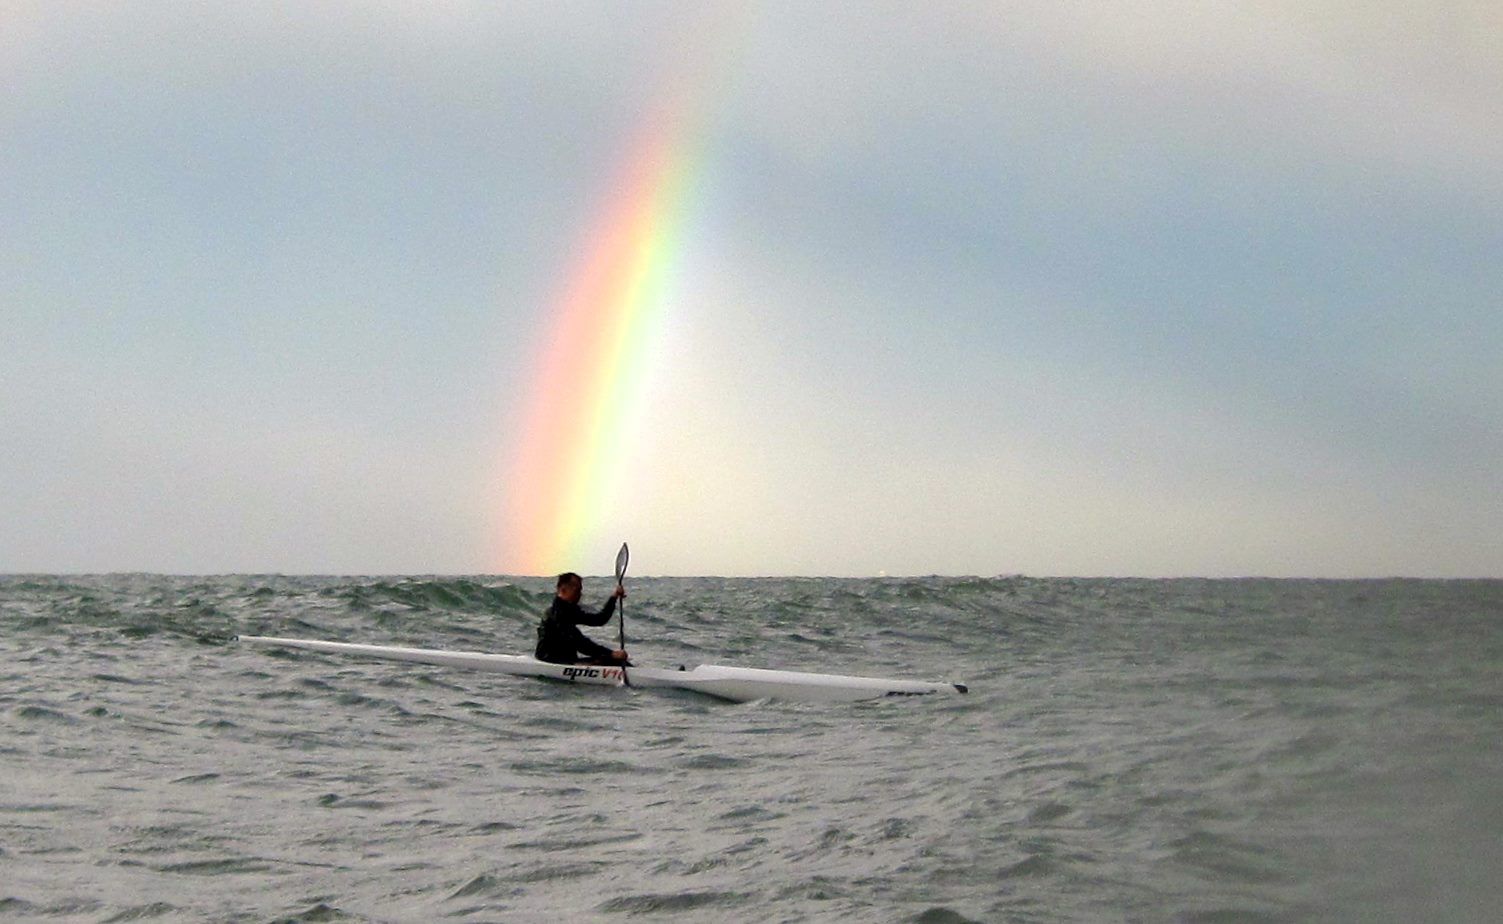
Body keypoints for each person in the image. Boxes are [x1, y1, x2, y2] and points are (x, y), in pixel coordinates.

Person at [535, 572, 630, 665]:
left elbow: (599, 619)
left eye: (580, 591)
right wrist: (611, 654)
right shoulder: (557, 614)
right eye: (577, 591)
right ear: (563, 590)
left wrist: (614, 597)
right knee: (613, 661)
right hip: (551, 660)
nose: (580, 595)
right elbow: (580, 643)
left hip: (566, 660)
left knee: (617, 661)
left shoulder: (569, 610)